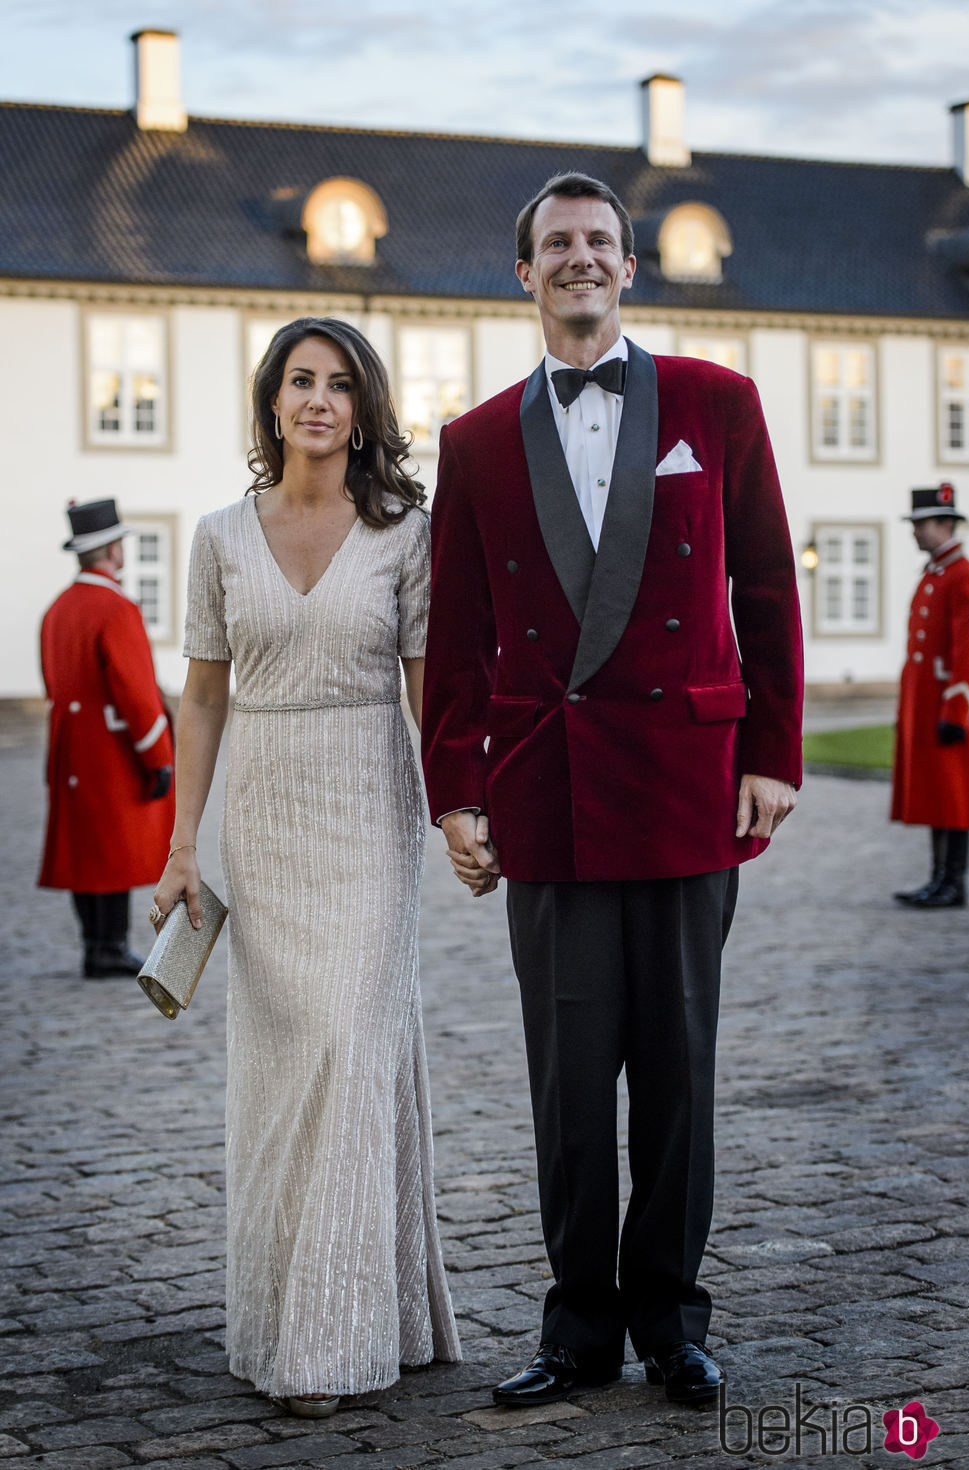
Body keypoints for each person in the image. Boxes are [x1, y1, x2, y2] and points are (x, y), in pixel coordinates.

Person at [421, 173, 803, 1408]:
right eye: (555, 245)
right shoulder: (474, 443)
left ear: (627, 268)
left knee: (678, 1077)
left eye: (599, 242)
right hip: (552, 793)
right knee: (570, 1083)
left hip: (688, 785)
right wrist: (454, 791)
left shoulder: (718, 404)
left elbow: (764, 595)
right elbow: (463, 634)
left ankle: (671, 1322)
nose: (579, 259)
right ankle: (578, 1325)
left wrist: (773, 755)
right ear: (520, 273)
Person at [152, 317, 460, 1417]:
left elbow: (428, 687)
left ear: (364, 408)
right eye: (300, 381)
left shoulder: (404, 534)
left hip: (370, 810)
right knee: (287, 1072)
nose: (319, 400)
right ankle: (316, 1304)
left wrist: (457, 805)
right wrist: (185, 842)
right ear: (271, 402)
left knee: (344, 1040)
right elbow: (201, 695)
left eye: (339, 385)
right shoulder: (218, 536)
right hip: (267, 818)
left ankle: (329, 1342)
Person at [39, 498, 174, 978]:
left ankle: (94, 944)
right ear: (112, 550)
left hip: (71, 751)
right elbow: (137, 694)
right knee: (113, 851)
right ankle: (111, 947)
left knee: (86, 851)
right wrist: (158, 756)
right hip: (112, 753)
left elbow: (54, 685)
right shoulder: (116, 608)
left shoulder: (57, 610)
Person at [892, 483, 969, 908]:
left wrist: (958, 711)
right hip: (927, 706)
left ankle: (953, 882)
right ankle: (937, 878)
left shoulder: (963, 577)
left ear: (944, 524)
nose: (915, 532)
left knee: (954, 798)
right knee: (937, 795)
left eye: (920, 524)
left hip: (950, 709)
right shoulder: (934, 575)